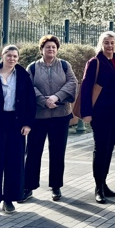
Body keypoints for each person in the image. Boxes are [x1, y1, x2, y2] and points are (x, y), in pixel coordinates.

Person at [0, 45, 36, 215]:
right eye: (9, 55)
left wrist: (28, 124)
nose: (12, 59)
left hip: (16, 123)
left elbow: (31, 101)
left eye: (15, 56)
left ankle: (9, 199)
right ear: (2, 56)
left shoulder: (23, 76)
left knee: (14, 162)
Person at [22, 35, 78, 203]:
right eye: (47, 47)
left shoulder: (64, 65)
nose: (51, 50)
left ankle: (56, 186)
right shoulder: (32, 67)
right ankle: (28, 186)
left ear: (57, 49)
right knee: (33, 152)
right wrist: (44, 101)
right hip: (39, 117)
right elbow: (28, 87)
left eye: (53, 47)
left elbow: (72, 82)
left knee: (58, 152)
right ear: (41, 49)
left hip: (60, 116)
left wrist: (56, 97)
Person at [80, 31, 115, 204]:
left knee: (109, 149)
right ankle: (98, 187)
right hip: (99, 112)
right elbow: (86, 87)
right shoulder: (94, 62)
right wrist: (86, 113)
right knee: (100, 149)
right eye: (106, 42)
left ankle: (104, 184)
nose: (109, 45)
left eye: (112, 42)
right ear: (101, 44)